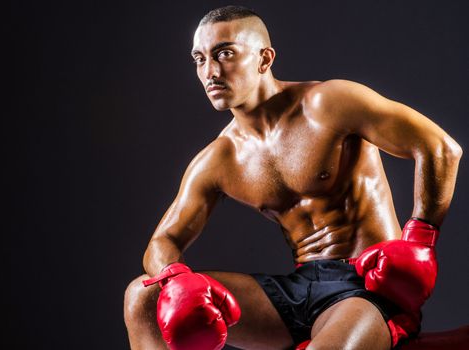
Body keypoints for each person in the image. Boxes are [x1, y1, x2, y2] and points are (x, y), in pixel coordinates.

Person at [123, 5, 463, 350]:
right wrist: (177, 280)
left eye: (224, 54)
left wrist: (419, 241)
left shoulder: (328, 104)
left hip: (369, 287)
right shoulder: (218, 159)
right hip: (300, 289)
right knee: (143, 296)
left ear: (264, 59)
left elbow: (439, 147)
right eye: (199, 59)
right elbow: (161, 243)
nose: (210, 71)